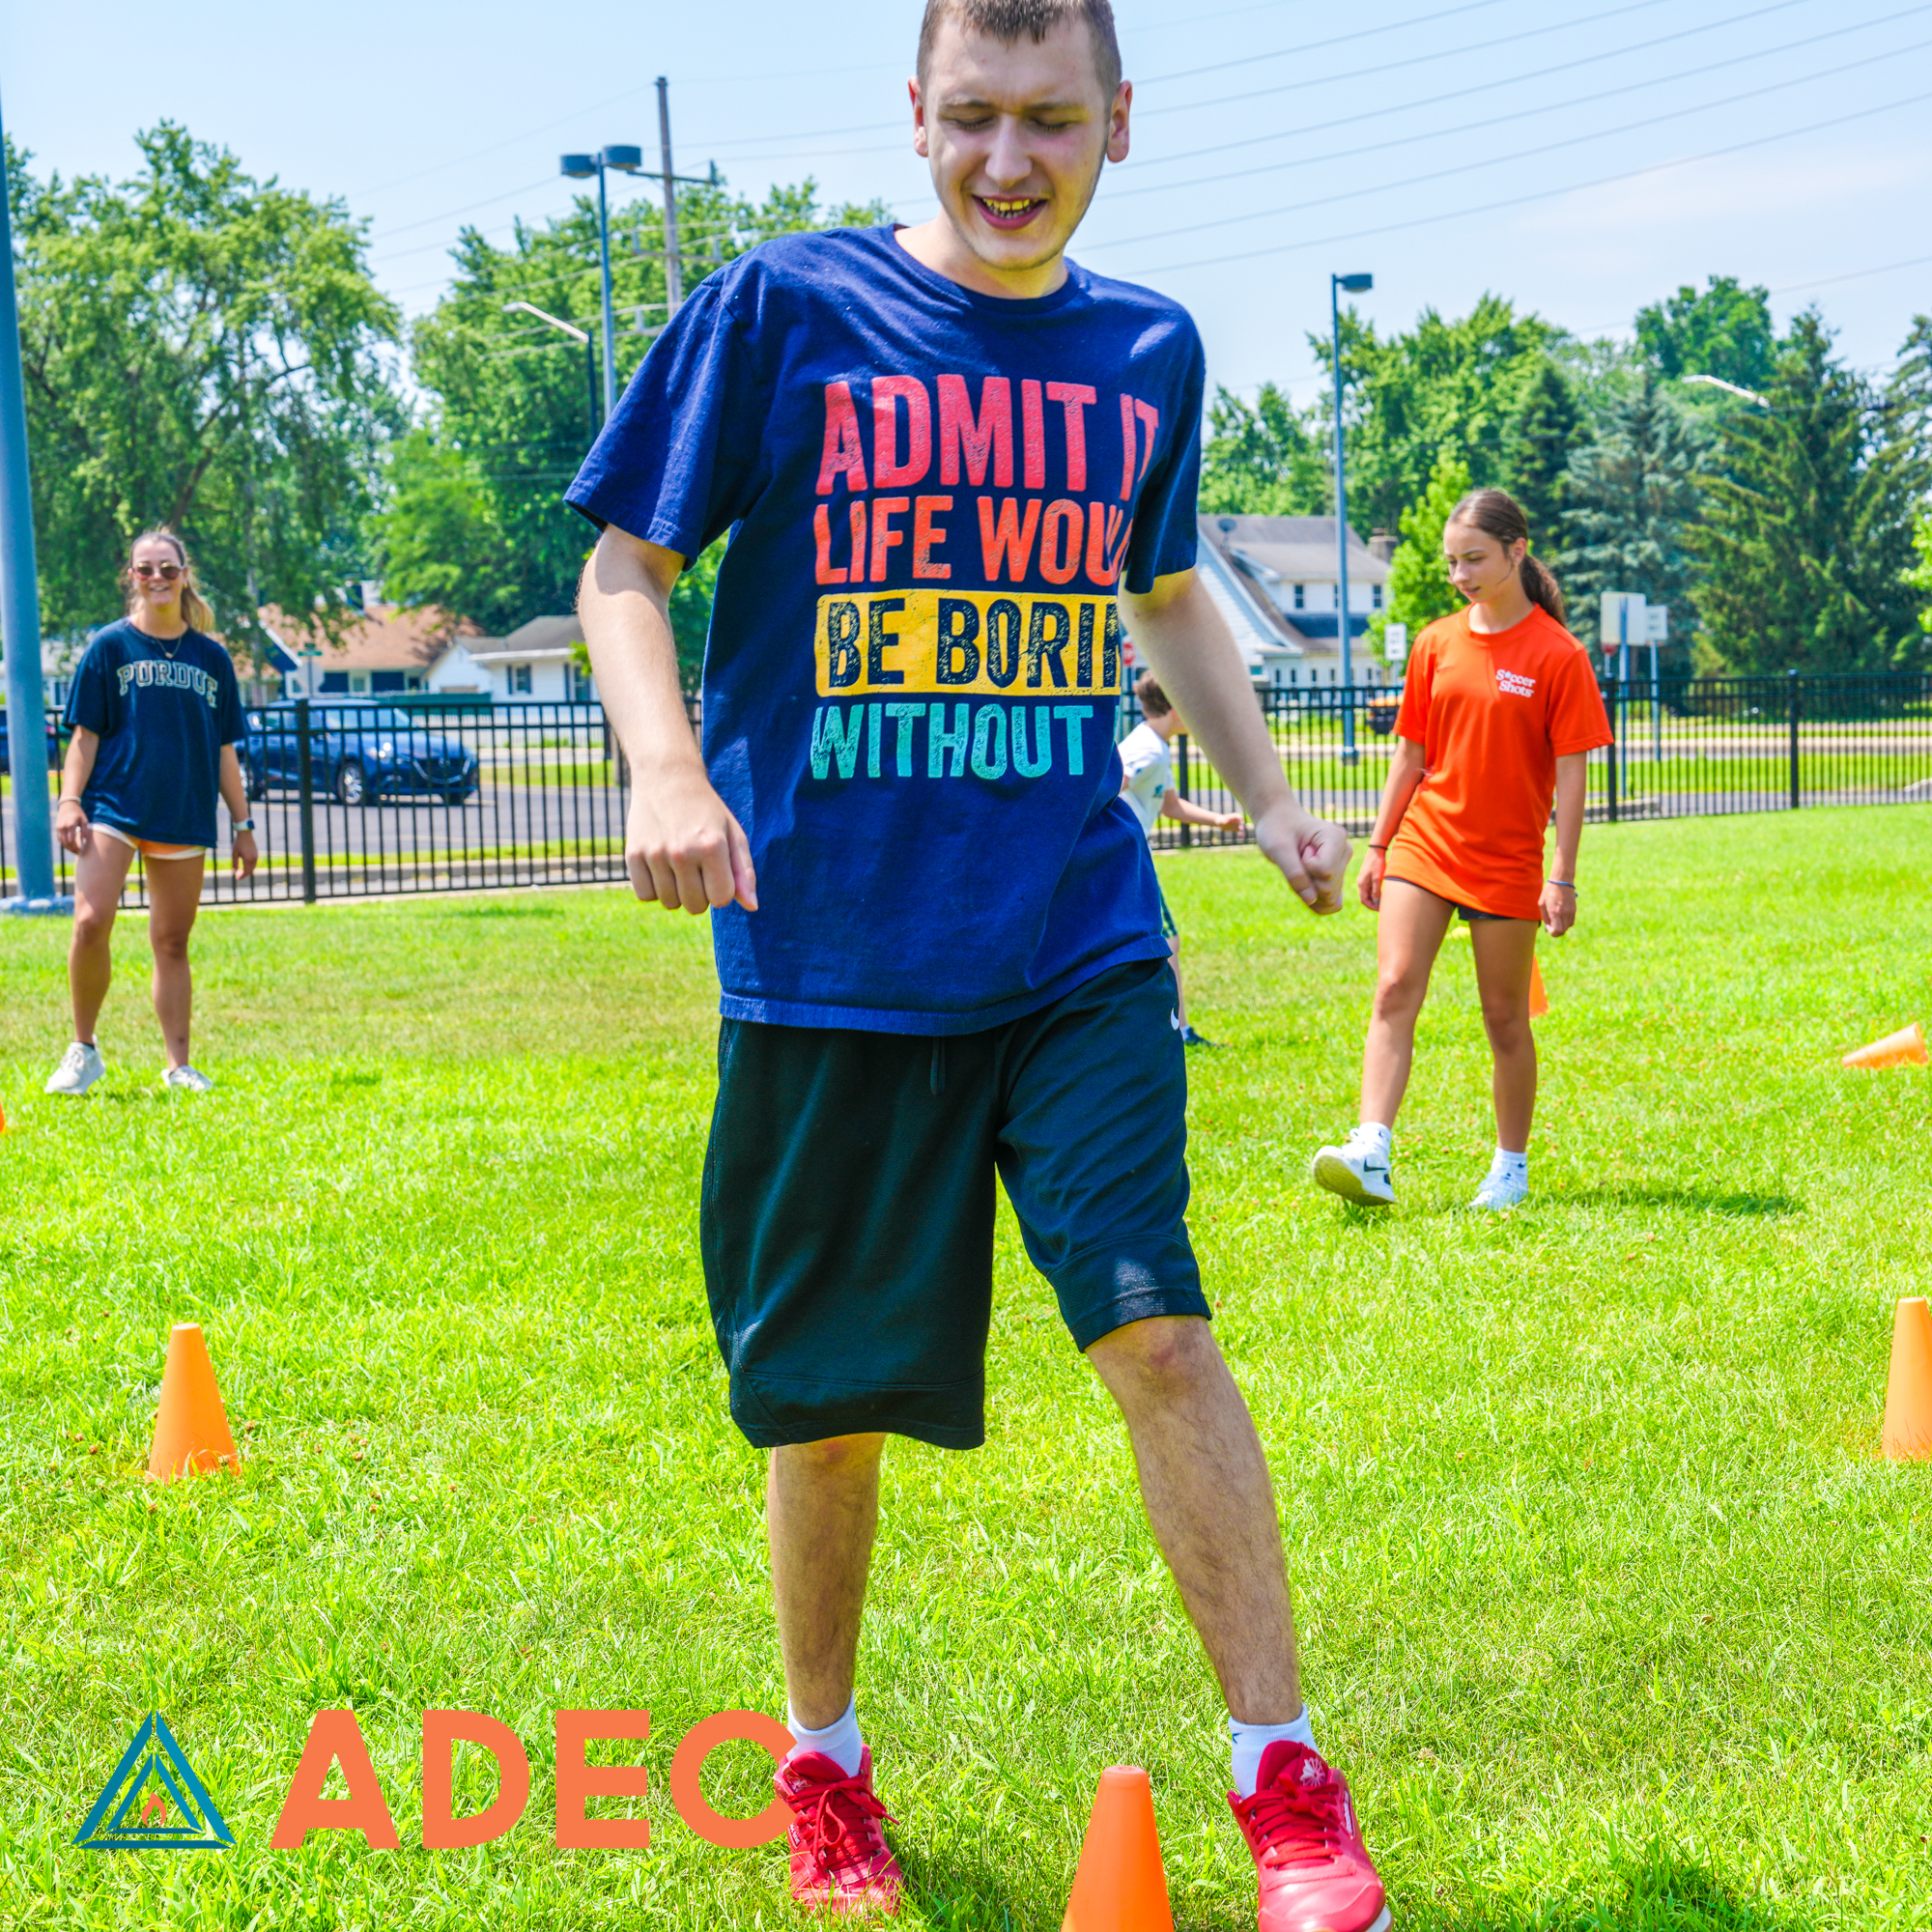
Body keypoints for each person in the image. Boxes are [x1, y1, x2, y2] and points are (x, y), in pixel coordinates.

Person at [569, 3, 1391, 1927]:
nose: (1008, 161)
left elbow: (1164, 588)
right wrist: (669, 771)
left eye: (1048, 120)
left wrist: (1270, 795)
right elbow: (624, 568)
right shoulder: (785, 310)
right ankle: (823, 1760)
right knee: (829, 1404)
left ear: (1119, 119)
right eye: (971, 118)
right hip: (828, 956)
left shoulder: (1148, 351)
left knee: (1155, 1326)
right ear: (914, 114)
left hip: (1073, 938)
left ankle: (1284, 1784)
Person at [1310, 488, 1610, 1212]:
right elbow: (1410, 755)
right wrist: (1380, 844)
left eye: (1473, 559)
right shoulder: (1434, 643)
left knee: (1504, 1018)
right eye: (1451, 563)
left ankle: (1510, 1169)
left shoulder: (1559, 655)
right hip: (1425, 840)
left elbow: (1573, 777)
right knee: (1393, 988)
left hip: (1508, 857)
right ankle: (1371, 1149)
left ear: (1516, 551)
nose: (1460, 575)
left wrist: (1563, 875)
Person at [44, 528, 256, 1097]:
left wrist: (243, 826)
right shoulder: (109, 646)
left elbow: (225, 750)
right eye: (146, 569)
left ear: (185, 575)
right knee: (90, 922)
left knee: (171, 941)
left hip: (183, 809)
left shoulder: (212, 658)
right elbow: (85, 736)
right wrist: (69, 800)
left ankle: (178, 1066)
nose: (157, 577)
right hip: (114, 805)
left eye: (167, 568)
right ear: (131, 577)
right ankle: (83, 1050)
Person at [1118, 669, 1242, 1046]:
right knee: (1166, 941)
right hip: (1127, 859)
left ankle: (1165, 1028)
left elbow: (1170, 805)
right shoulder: (1148, 748)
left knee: (1155, 942)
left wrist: (1218, 820)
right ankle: (1177, 1031)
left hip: (1130, 857)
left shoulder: (1154, 744)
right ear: (1174, 707)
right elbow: (1111, 784)